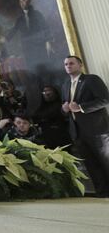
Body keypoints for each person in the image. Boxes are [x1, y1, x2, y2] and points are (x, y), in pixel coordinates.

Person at [61, 56, 109, 197]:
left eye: (71, 63)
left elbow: (105, 99)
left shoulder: (91, 79)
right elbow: (67, 108)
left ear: (80, 65)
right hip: (77, 132)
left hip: (97, 130)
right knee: (91, 165)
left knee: (105, 162)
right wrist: (64, 109)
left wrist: (81, 107)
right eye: (66, 64)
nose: (68, 66)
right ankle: (103, 193)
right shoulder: (65, 84)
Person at [32, 85, 72, 149]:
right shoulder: (42, 106)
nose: (47, 94)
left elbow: (50, 114)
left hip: (61, 136)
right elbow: (36, 116)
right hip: (46, 137)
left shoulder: (60, 104)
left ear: (55, 93)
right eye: (44, 92)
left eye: (49, 91)